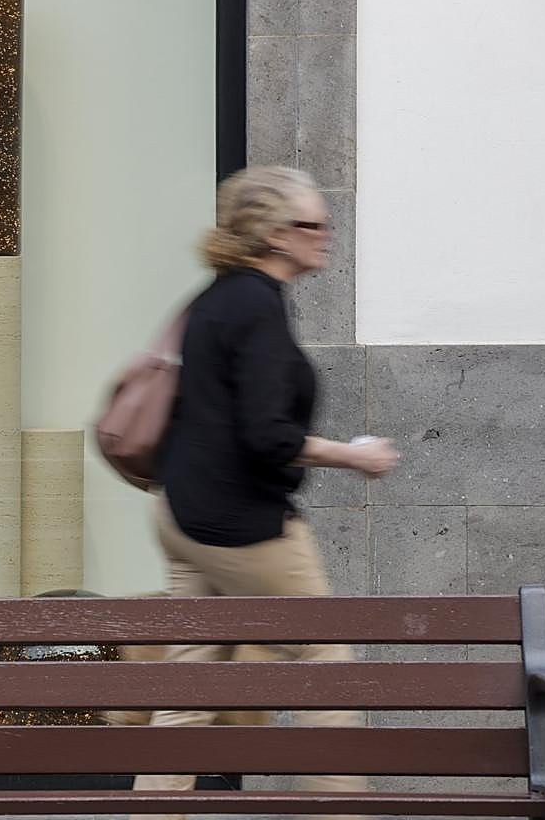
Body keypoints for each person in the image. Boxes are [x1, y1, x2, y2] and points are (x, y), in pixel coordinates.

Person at [133, 166, 399, 815]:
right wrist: (353, 456)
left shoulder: (221, 297)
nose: (325, 235)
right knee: (324, 664)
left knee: (189, 685)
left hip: (184, 515)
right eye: (313, 224)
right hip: (240, 526)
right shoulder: (255, 306)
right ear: (276, 235)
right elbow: (267, 436)